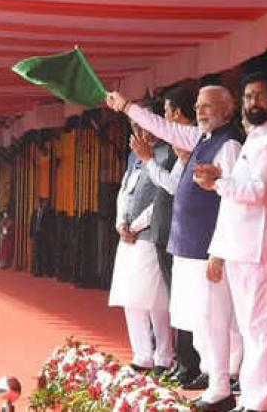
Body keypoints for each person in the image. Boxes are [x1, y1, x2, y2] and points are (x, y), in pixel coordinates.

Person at [107, 85, 244, 409]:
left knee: (217, 319)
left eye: (208, 106)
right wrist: (127, 107)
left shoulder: (229, 146)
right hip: (188, 247)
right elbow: (164, 128)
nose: (201, 111)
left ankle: (223, 386)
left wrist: (220, 249)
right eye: (198, 106)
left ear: (227, 109)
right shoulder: (201, 139)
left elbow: (233, 202)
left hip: (208, 248)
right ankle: (214, 379)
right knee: (199, 320)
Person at [194, 72, 267, 412]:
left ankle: (259, 402)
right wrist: (219, 248)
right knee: (250, 328)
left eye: (259, 96)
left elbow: (258, 191)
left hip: (258, 248)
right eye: (249, 96)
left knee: (258, 328)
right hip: (240, 246)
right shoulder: (256, 136)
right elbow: (235, 200)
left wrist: (217, 183)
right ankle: (250, 399)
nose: (253, 102)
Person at [130, 86, 203, 385]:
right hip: (167, 230)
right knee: (178, 301)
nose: (165, 118)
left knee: (186, 302)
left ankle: (190, 363)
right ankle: (183, 361)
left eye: (168, 112)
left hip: (183, 231)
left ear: (179, 114)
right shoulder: (176, 143)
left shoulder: (187, 142)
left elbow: (172, 186)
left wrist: (148, 159)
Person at [108, 120, 174, 374]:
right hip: (127, 237)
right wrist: (121, 222)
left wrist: (134, 226)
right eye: (136, 126)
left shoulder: (166, 153)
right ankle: (142, 354)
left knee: (156, 299)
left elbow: (162, 199)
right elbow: (124, 192)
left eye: (145, 125)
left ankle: (164, 355)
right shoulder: (133, 156)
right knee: (130, 297)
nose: (141, 132)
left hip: (148, 235)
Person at [30, 197, 52, 276]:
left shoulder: (47, 213)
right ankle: (38, 271)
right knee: (37, 253)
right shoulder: (35, 212)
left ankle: (45, 271)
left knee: (44, 253)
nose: (37, 204)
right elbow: (32, 224)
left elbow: (49, 224)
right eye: (37, 203)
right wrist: (31, 235)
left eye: (39, 203)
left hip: (44, 235)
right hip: (36, 234)